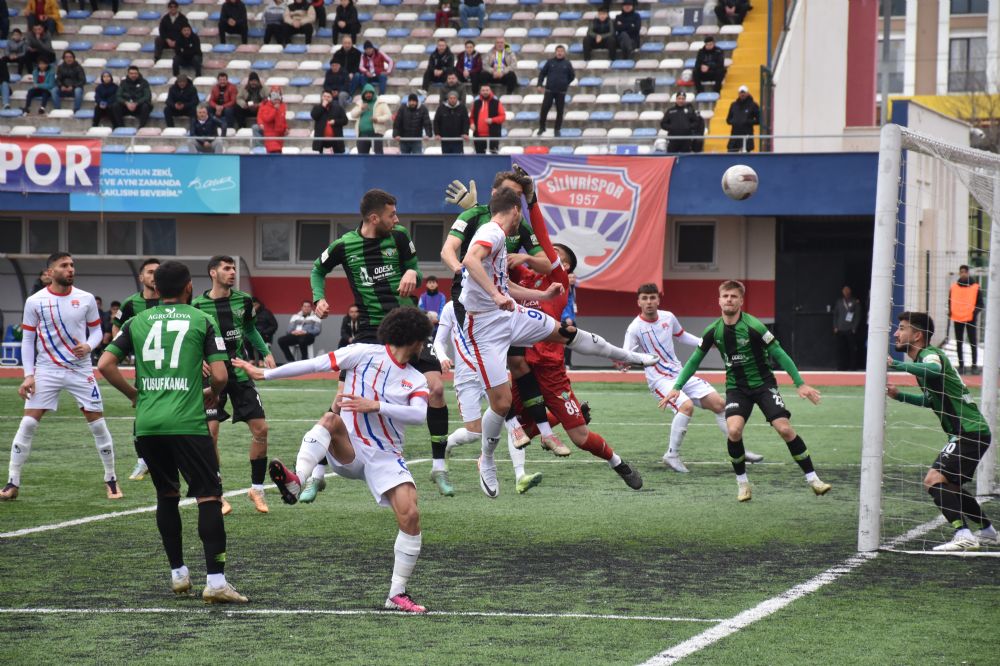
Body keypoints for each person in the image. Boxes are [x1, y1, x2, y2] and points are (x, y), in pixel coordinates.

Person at [460, 186, 658, 498]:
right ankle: (489, 459)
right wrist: (502, 288)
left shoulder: (556, 277)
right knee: (503, 407)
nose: (557, 261)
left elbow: (524, 265)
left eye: (562, 260)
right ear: (514, 211)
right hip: (495, 334)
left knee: (568, 338)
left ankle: (628, 357)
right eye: (556, 256)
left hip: (542, 358)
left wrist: (540, 292)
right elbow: (477, 264)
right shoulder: (502, 243)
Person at [236, 307, 433, 613]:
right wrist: (266, 373)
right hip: (349, 447)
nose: (423, 346)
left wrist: (376, 405)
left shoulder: (416, 379)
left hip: (385, 456)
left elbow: (420, 415)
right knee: (329, 419)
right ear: (414, 338)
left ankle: (396, 594)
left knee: (410, 515)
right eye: (422, 340)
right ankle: (297, 479)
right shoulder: (362, 353)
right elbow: (315, 363)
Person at [97, 261, 248, 603]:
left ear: (156, 289)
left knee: (166, 495)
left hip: (148, 425)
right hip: (188, 423)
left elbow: (105, 364)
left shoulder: (136, 320)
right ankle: (216, 582)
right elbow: (221, 376)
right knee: (208, 495)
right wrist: (212, 392)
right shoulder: (201, 319)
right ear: (189, 288)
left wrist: (135, 395)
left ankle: (179, 574)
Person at [310, 190, 453, 498]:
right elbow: (317, 269)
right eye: (392, 214)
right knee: (342, 397)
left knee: (437, 390)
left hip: (408, 323)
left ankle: (439, 468)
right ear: (374, 218)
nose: (397, 219)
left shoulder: (399, 236)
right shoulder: (345, 246)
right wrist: (318, 298)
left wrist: (412, 269)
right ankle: (318, 472)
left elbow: (411, 260)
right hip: (370, 330)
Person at [508, 203, 644, 489]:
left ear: (565, 266)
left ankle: (618, 463)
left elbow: (540, 241)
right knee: (511, 422)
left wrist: (530, 204)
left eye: (554, 254)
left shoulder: (559, 280)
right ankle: (496, 464)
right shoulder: (522, 276)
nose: (544, 254)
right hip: (520, 364)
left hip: (550, 366)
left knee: (580, 437)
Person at [663, 280, 830, 502]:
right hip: (736, 389)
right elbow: (694, 360)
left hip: (764, 385)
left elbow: (779, 354)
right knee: (734, 431)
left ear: (741, 300)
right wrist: (677, 387)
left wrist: (800, 383)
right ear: (719, 300)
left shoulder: (755, 327)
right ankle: (742, 484)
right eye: (726, 296)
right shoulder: (713, 331)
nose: (729, 300)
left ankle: (814, 480)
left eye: (734, 296)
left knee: (785, 430)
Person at [1, 253, 121, 502]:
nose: (70, 269)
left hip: (80, 369)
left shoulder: (86, 298)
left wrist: (88, 346)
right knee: (28, 423)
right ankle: (12, 482)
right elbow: (28, 339)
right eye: (64, 266)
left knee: (97, 423)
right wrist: (28, 375)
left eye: (72, 265)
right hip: (47, 370)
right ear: (49, 271)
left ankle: (111, 479)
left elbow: (97, 331)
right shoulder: (35, 301)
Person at [886, 311, 997, 552]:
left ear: (916, 335)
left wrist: (896, 364)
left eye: (902, 328)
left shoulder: (930, 355)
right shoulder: (923, 362)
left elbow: (934, 371)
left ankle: (963, 533)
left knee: (933, 480)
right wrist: (899, 396)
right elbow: (931, 400)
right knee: (952, 487)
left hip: (968, 432)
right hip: (973, 432)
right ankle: (987, 531)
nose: (896, 333)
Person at [624, 283, 764, 473]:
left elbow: (681, 336)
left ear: (658, 299)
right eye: (645, 298)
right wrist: (626, 362)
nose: (649, 302)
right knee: (686, 406)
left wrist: (704, 342)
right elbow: (625, 355)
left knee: (719, 404)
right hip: (660, 381)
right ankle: (671, 455)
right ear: (638, 302)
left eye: (652, 297)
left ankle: (739, 450)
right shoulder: (635, 328)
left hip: (679, 374)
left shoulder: (668, 317)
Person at [192, 255, 276, 515]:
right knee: (211, 435)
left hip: (239, 372)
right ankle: (217, 493)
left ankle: (257, 489)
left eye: (233, 268)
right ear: (212, 273)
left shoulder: (244, 301)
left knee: (261, 428)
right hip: (211, 375)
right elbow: (191, 339)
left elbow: (250, 330)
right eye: (226, 269)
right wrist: (198, 361)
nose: (232, 272)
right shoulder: (197, 305)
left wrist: (265, 352)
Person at [433, 299, 542, 495]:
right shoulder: (450, 307)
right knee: (474, 433)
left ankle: (521, 476)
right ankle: (448, 444)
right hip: (466, 378)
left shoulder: (489, 302)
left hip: (492, 373)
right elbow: (439, 341)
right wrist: (442, 357)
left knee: (513, 424)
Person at [113, 257, 161, 482]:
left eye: (158, 272)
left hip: (173, 367)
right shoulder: (131, 304)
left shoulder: (171, 301)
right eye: (150, 272)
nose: (154, 276)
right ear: (141, 277)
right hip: (146, 369)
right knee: (144, 411)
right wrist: (125, 350)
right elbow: (117, 329)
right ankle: (143, 460)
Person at [948, 264, 983, 375]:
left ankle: (974, 366)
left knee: (973, 342)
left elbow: (980, 304)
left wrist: (974, 313)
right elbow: (950, 301)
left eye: (965, 272)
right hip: (958, 317)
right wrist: (951, 311)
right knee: (959, 342)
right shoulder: (954, 287)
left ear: (968, 273)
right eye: (961, 272)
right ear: (959, 273)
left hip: (971, 318)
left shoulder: (976, 287)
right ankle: (961, 365)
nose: (963, 274)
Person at [536, 45, 574, 137]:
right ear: (555, 52)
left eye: (561, 51)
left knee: (560, 111)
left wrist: (565, 83)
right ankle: (542, 127)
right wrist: (539, 84)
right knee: (544, 109)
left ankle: (557, 129)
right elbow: (542, 74)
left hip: (561, 92)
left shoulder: (567, 63)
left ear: (564, 53)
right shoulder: (550, 62)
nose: (560, 53)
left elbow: (572, 76)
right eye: (558, 51)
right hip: (549, 90)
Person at [348, 83, 390, 155]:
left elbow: (388, 115)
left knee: (378, 156)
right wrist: (361, 109)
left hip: (376, 134)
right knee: (362, 157)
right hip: (362, 135)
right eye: (366, 93)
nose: (368, 95)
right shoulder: (360, 103)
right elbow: (352, 115)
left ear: (373, 93)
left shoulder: (381, 102)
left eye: (370, 93)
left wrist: (377, 119)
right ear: (363, 94)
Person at [832, 285, 861, 371]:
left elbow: (858, 315)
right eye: (844, 291)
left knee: (852, 349)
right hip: (840, 328)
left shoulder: (855, 302)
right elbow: (835, 315)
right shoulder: (839, 302)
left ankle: (852, 366)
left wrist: (854, 327)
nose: (846, 292)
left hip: (850, 329)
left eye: (847, 290)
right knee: (841, 349)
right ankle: (841, 366)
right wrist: (835, 326)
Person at [470, 84, 504, 154]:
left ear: (490, 91)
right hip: (478, 136)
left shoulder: (497, 103)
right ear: (480, 92)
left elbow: (503, 117)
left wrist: (493, 120)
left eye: (487, 90)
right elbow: (471, 117)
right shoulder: (476, 103)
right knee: (480, 157)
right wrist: (472, 123)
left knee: (493, 157)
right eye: (483, 90)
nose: (485, 92)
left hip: (493, 136)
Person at [311, 90, 348, 154]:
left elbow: (345, 120)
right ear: (321, 97)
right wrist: (322, 107)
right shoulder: (316, 107)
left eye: (328, 97)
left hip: (336, 140)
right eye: (324, 96)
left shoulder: (338, 108)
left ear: (332, 98)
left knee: (337, 161)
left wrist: (335, 121)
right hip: (321, 141)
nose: (326, 98)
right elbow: (314, 116)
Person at [434, 89, 469, 154]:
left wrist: (465, 133)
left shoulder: (462, 108)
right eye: (451, 98)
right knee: (446, 159)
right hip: (445, 140)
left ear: (457, 99)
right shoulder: (441, 108)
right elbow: (436, 121)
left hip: (458, 140)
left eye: (454, 98)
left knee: (458, 159)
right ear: (448, 99)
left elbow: (466, 121)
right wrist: (437, 133)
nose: (452, 100)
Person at [726, 84, 759, 152]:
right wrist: (734, 121)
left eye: (744, 92)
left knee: (746, 156)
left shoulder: (753, 105)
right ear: (738, 93)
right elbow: (728, 120)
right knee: (731, 153)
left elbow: (759, 120)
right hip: (735, 135)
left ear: (747, 93)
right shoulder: (733, 105)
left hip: (747, 135)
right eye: (741, 92)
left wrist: (747, 122)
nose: (742, 94)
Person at [257, 86, 288, 153]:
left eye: (278, 99)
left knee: (278, 153)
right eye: (275, 99)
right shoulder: (266, 106)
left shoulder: (282, 106)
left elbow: (283, 118)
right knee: (274, 153)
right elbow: (267, 119)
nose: (277, 101)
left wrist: (286, 128)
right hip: (271, 136)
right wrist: (275, 110)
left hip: (280, 136)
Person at [250, 297, 278, 364]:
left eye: (255, 305)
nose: (253, 307)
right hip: (252, 334)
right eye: (252, 306)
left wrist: (265, 332)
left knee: (260, 338)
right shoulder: (249, 313)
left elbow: (274, 326)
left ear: (259, 304)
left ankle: (261, 360)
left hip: (265, 335)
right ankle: (251, 359)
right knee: (245, 339)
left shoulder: (267, 313)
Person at [561, 272, 576, 368]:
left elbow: (572, 304)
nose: (572, 279)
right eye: (570, 277)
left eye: (574, 277)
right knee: (563, 341)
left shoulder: (573, 288)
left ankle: (568, 362)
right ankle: (563, 362)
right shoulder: (565, 288)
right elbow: (563, 304)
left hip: (572, 318)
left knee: (572, 341)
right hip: (565, 319)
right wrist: (566, 317)